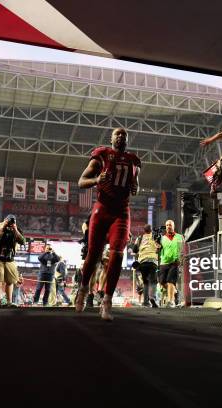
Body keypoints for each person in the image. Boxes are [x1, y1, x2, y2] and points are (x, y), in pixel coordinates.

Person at [75, 127, 141, 321]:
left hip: (121, 211)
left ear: (127, 140)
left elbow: (136, 183)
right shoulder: (102, 155)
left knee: (118, 255)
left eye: (124, 135)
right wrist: (97, 179)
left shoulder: (134, 160)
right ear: (111, 139)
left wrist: (136, 187)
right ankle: (83, 287)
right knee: (93, 254)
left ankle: (107, 301)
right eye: (117, 134)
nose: (121, 137)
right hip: (102, 209)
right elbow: (81, 181)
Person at [0, 214, 25, 307]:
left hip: (9, 258)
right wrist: (3, 226)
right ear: (5, 220)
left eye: (12, 221)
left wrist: (15, 229)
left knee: (10, 280)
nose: (10, 223)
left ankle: (9, 302)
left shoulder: (16, 229)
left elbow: (22, 241)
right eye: (9, 221)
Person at [132, 224, 160, 307]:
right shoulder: (156, 236)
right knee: (153, 281)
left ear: (144, 230)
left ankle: (145, 302)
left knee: (145, 282)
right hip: (153, 261)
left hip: (142, 262)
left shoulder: (139, 238)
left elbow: (134, 250)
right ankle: (152, 297)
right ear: (151, 230)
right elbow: (160, 247)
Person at [158, 220, 184, 308]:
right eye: (167, 225)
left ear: (173, 226)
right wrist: (156, 245)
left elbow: (183, 249)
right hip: (164, 262)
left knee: (170, 281)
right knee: (161, 282)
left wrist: (182, 259)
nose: (168, 226)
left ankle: (171, 301)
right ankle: (175, 291)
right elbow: (157, 250)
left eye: (170, 225)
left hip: (175, 262)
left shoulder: (180, 237)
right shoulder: (161, 238)